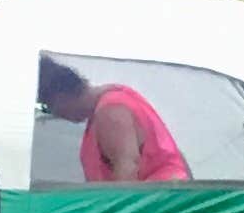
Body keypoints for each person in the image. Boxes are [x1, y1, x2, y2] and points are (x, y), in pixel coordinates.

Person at [38, 56, 194, 184]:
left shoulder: (111, 111)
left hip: (156, 205)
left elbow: (127, 170)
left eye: (50, 105)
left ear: (61, 96)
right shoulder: (104, 108)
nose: (56, 113)